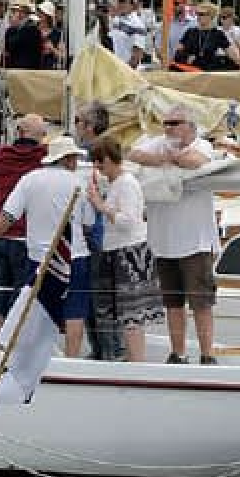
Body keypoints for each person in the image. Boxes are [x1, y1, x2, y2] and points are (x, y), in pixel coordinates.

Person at [0, 135, 95, 355]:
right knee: (74, 313)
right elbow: (88, 221)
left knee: (34, 310)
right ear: (68, 159)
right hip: (75, 256)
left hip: (40, 259)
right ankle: (70, 363)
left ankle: (21, 356)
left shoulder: (29, 180)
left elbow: (8, 217)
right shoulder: (79, 183)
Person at [129, 107, 218, 363]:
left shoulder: (203, 145)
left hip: (195, 241)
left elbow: (198, 162)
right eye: (165, 123)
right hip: (162, 240)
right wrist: (163, 159)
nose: (167, 128)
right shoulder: (156, 143)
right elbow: (133, 154)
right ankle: (177, 353)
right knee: (172, 302)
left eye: (175, 123)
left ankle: (207, 354)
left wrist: (171, 157)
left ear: (191, 126)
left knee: (201, 302)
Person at [0, 113, 49, 332]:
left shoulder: (2, 155)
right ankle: (13, 344)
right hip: (26, 239)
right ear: (41, 137)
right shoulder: (44, 158)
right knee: (20, 297)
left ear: (18, 133)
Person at [86, 138, 161, 362]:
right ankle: (132, 358)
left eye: (99, 164)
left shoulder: (126, 183)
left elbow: (128, 221)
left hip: (129, 252)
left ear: (108, 160)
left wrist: (101, 206)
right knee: (124, 312)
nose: (98, 169)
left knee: (132, 314)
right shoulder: (116, 183)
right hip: (119, 250)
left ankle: (137, 361)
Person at [173, 1, 240, 71]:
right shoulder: (190, 32)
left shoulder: (217, 34)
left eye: (201, 14)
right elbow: (177, 53)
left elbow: (233, 55)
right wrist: (187, 58)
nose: (198, 17)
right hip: (188, 71)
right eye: (197, 14)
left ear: (210, 16)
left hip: (207, 72)